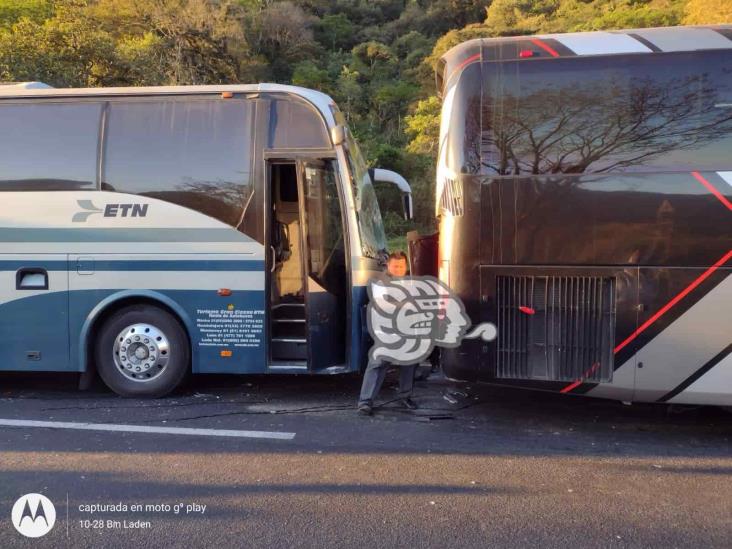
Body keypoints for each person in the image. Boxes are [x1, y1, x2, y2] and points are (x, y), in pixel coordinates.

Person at [357, 251, 418, 416]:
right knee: (378, 364)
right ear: (388, 266)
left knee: (410, 361)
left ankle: (405, 396)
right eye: (395, 266)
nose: (399, 269)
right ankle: (365, 402)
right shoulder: (377, 282)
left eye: (402, 266)